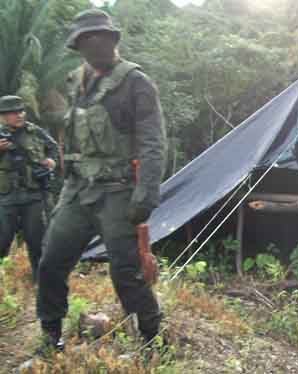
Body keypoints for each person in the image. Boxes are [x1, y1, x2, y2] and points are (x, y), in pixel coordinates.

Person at [36, 8, 166, 353]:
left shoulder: (137, 82)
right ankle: (51, 338)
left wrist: (146, 194)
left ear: (113, 41)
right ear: (78, 45)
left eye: (102, 38)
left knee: (127, 273)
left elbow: (154, 142)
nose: (97, 44)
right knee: (50, 262)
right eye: (88, 39)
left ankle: (153, 341)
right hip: (78, 190)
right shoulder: (76, 81)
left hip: (119, 191)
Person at [0, 95, 58, 281]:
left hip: (33, 196)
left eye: (21, 111)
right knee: (2, 241)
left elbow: (53, 148)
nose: (19, 115)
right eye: (13, 113)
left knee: (37, 242)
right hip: (5, 197)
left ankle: (40, 285)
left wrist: (51, 161)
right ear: (3, 116)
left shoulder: (35, 132)